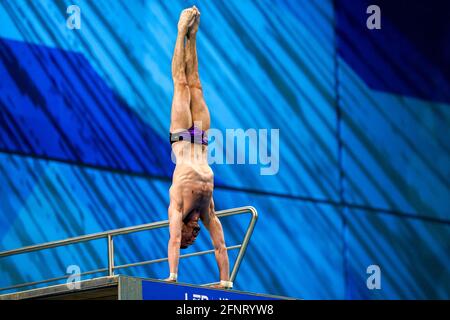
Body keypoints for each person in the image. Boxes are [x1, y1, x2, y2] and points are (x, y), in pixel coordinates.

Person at [165, 6, 232, 290]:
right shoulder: (207, 210)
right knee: (196, 85)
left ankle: (181, 30)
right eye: (194, 237)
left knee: (180, 82)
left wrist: (173, 277)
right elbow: (219, 244)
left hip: (182, 135)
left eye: (190, 237)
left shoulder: (176, 206)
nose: (193, 236)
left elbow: (174, 240)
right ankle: (193, 36)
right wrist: (225, 281)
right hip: (201, 139)